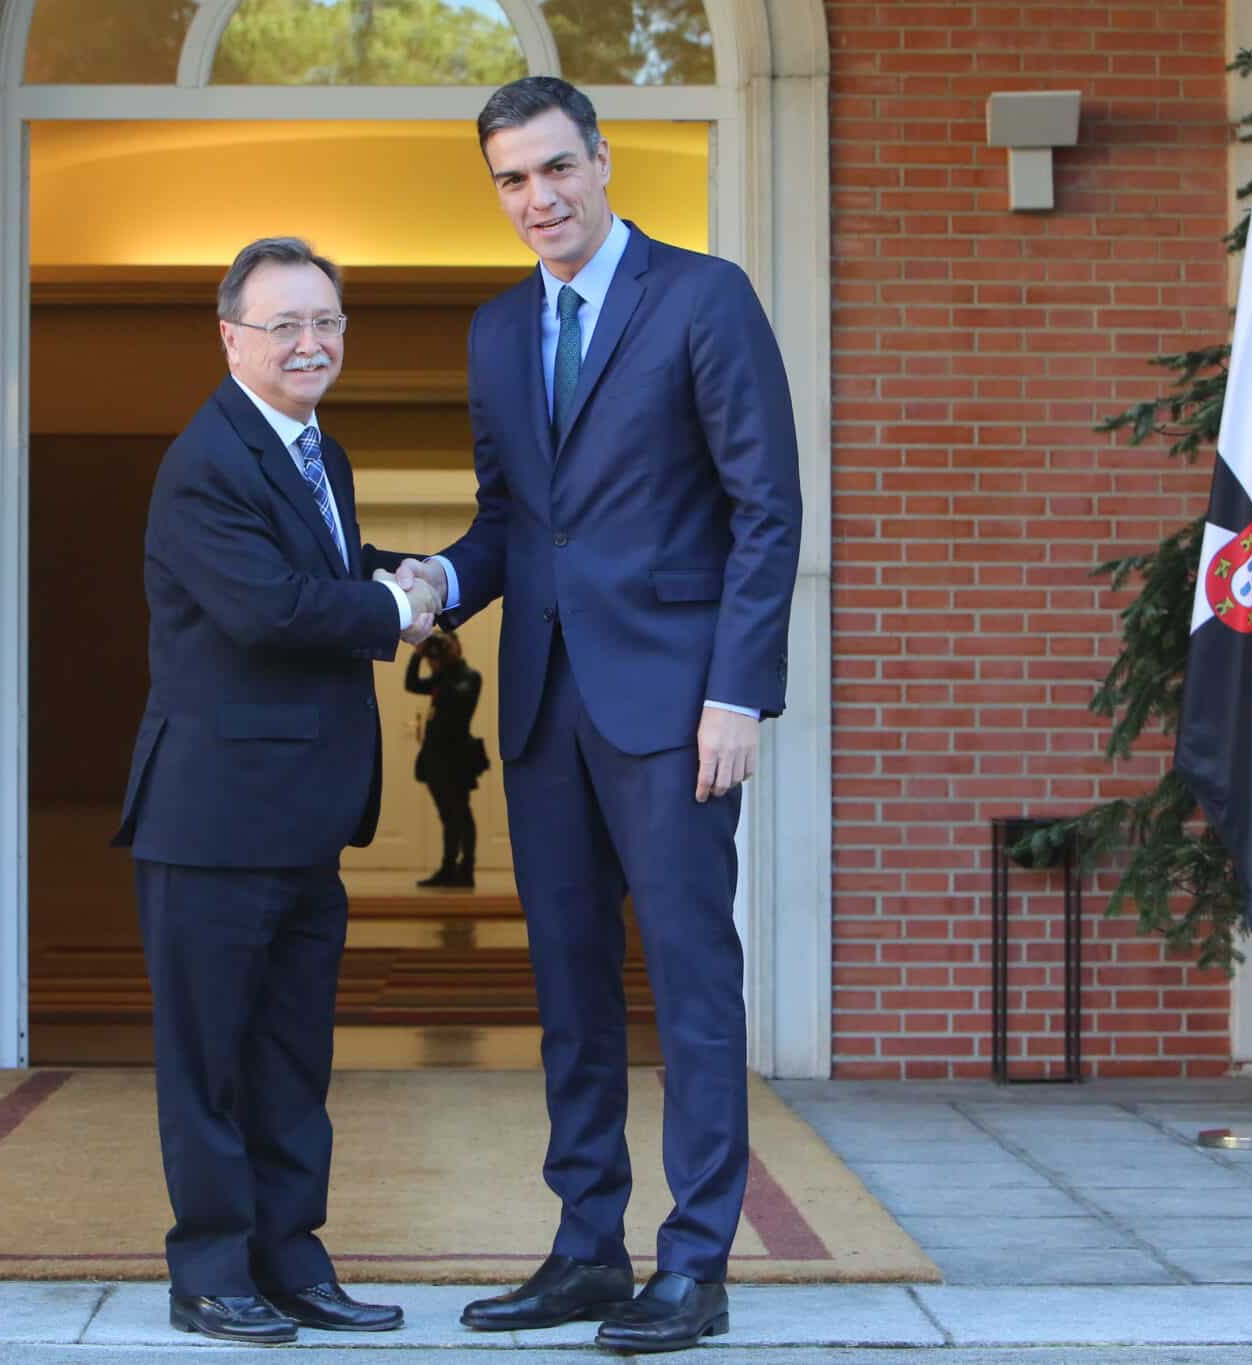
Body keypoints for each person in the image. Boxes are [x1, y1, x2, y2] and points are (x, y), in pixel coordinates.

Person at [396, 77, 804, 1353]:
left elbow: (764, 510)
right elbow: (515, 522)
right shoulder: (494, 333)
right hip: (542, 711)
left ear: (602, 161)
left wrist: (735, 691)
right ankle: (584, 1252)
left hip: (678, 707)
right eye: (512, 180)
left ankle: (695, 1263)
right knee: (568, 991)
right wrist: (437, 584)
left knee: (688, 982)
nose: (539, 199)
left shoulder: (702, 297)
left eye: (556, 169)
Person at [112, 236, 440, 1345]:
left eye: (327, 322)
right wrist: (398, 611)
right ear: (230, 338)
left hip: (300, 819)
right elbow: (273, 610)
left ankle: (291, 1263)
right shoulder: (206, 461)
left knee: (291, 1062)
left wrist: (425, 575)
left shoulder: (316, 453)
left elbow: (326, 573)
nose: (311, 342)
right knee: (207, 1067)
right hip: (209, 820)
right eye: (284, 324)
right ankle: (209, 1273)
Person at [403, 630, 486, 888]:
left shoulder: (470, 677)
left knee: (461, 813)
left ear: (458, 646)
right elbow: (412, 684)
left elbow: (457, 696)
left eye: (448, 643)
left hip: (458, 756)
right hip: (436, 756)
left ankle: (466, 868)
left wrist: (442, 665)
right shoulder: (441, 676)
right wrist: (418, 656)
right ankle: (448, 869)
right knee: (447, 815)